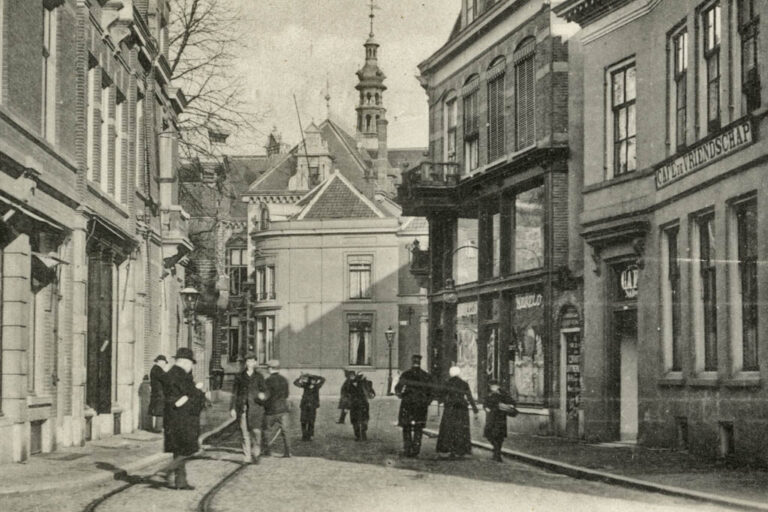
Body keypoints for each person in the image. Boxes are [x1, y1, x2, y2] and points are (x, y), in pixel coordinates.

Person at [163, 347, 206, 490]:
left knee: (180, 450)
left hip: (174, 418)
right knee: (189, 448)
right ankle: (169, 469)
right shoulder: (180, 375)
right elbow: (191, 395)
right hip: (183, 418)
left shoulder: (172, 374)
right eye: (191, 363)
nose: (192, 366)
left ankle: (180, 481)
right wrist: (199, 390)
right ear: (185, 362)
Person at [230, 352, 267, 464]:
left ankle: (256, 453)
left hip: (256, 409)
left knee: (256, 432)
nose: (250, 363)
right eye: (248, 361)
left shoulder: (259, 377)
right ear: (245, 363)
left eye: (252, 361)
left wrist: (263, 396)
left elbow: (265, 391)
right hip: (243, 409)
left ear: (255, 362)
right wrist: (232, 408)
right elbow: (234, 393)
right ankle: (247, 456)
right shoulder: (239, 376)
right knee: (244, 433)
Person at [394, 355, 433, 457]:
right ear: (419, 362)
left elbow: (398, 388)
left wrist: (401, 395)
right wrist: (427, 401)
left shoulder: (406, 374)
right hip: (421, 404)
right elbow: (431, 391)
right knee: (418, 427)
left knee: (406, 426)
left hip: (408, 403)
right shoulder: (426, 375)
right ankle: (416, 449)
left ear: (412, 362)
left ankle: (407, 449)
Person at [436, 366, 479, 459]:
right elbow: (469, 396)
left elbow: (441, 395)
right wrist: (475, 410)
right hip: (462, 409)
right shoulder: (464, 383)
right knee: (460, 429)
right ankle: (460, 450)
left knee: (449, 429)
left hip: (450, 408)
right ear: (459, 373)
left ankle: (448, 448)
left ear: (451, 373)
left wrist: (441, 401)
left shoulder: (447, 383)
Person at [483, 379, 517, 462]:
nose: (492, 387)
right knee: (488, 434)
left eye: (494, 386)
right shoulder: (489, 393)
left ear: (498, 386)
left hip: (500, 417)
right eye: (491, 386)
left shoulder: (503, 393)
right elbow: (485, 404)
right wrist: (486, 408)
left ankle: (497, 454)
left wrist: (509, 406)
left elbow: (513, 402)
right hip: (491, 417)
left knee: (499, 436)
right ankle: (496, 450)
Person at [263, 359, 290, 457]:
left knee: (267, 430)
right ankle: (287, 452)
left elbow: (266, 396)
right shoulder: (284, 380)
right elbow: (286, 394)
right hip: (283, 410)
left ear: (270, 368)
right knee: (285, 431)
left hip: (271, 410)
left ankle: (267, 451)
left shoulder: (268, 381)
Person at [294, 373, 326, 441]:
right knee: (303, 421)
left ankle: (310, 435)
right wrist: (301, 377)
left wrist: (314, 375)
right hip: (304, 406)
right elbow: (295, 383)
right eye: (311, 380)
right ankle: (304, 435)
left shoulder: (317, 386)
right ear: (309, 380)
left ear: (316, 381)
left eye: (314, 380)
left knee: (311, 421)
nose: (313, 381)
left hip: (313, 406)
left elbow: (323, 379)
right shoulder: (305, 385)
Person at [345, 372, 374, 441]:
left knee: (364, 419)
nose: (352, 377)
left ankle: (363, 434)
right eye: (350, 376)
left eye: (353, 376)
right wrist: (346, 406)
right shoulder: (349, 384)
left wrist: (371, 394)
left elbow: (371, 391)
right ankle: (358, 435)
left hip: (364, 404)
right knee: (355, 421)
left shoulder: (365, 383)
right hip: (354, 405)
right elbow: (347, 395)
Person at [148, 355, 167, 433]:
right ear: (159, 361)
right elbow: (164, 378)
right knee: (159, 409)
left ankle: (157, 427)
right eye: (163, 362)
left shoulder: (156, 369)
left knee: (157, 409)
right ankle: (158, 428)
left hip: (158, 392)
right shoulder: (157, 369)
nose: (164, 364)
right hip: (159, 392)